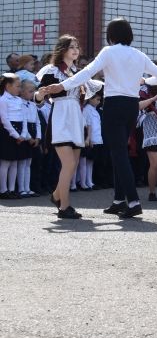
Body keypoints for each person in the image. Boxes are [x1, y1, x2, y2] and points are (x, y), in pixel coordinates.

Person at [40, 19, 157, 219]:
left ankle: (133, 202)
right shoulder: (138, 54)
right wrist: (145, 80)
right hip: (132, 106)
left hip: (114, 105)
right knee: (120, 151)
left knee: (118, 154)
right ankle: (118, 200)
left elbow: (87, 72)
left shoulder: (109, 52)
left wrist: (62, 86)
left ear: (111, 35)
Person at [34, 35, 104, 219]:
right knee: (69, 163)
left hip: (76, 118)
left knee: (72, 166)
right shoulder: (52, 70)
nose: (75, 50)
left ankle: (57, 195)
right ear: (62, 49)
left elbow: (97, 85)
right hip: (61, 116)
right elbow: (39, 96)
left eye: (77, 47)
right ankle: (64, 207)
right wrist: (40, 95)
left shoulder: (78, 72)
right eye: (71, 47)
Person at [0, 73, 33, 199]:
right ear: (8, 86)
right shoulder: (3, 100)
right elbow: (4, 119)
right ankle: (3, 190)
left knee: (14, 162)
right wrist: (15, 134)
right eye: (18, 86)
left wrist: (23, 134)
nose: (19, 89)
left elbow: (23, 117)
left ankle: (12, 189)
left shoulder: (19, 100)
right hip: (8, 132)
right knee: (5, 163)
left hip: (19, 132)